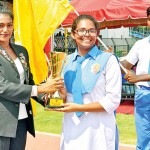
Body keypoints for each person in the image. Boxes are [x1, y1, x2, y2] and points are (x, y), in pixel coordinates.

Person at [0, 7, 64, 150]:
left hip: (22, 119)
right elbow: (2, 87)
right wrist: (40, 88)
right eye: (1, 25)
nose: (5, 30)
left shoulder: (21, 51)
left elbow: (28, 82)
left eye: (9, 25)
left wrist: (48, 97)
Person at [55, 14, 122, 150]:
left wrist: (79, 108)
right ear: (73, 34)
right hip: (72, 127)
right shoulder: (66, 61)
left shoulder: (108, 60)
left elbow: (113, 100)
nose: (87, 34)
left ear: (96, 34)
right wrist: (61, 95)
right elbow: (66, 98)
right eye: (82, 30)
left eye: (92, 31)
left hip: (98, 129)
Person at [122, 7, 150, 150]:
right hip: (143, 95)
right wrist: (109, 59)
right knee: (144, 138)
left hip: (142, 85)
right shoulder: (141, 44)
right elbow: (126, 65)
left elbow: (137, 76)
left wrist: (138, 77)